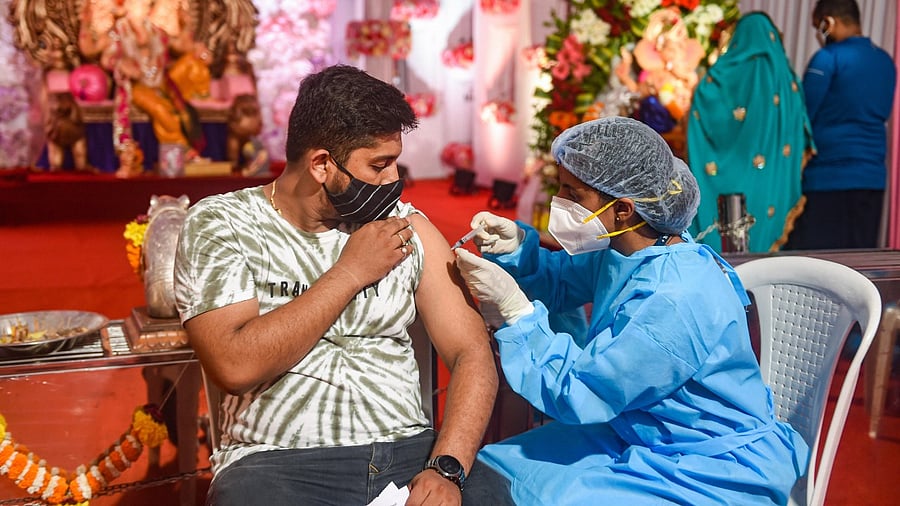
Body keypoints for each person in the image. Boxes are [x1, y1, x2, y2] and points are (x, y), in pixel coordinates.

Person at [173, 65, 512, 505]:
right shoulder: (224, 224)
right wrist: (349, 274)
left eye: (396, 163)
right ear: (321, 165)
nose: (394, 180)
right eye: (379, 165)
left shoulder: (406, 227)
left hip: (409, 453)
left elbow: (472, 352)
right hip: (278, 463)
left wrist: (446, 466)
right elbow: (234, 366)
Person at [454, 117, 810, 505]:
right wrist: (519, 249)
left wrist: (516, 313)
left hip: (707, 463)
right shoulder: (629, 250)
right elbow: (561, 280)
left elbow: (583, 388)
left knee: (531, 496)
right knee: (494, 469)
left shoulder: (674, 297)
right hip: (639, 428)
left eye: (572, 193)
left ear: (622, 209)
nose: (559, 202)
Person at [687, 12, 814, 253]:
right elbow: (802, 132)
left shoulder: (721, 74)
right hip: (769, 177)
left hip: (719, 176)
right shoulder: (786, 79)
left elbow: (702, 103)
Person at [787, 0, 896, 250]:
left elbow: (804, 117)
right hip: (871, 179)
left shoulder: (827, 58)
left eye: (818, 25)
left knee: (824, 268)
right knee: (861, 264)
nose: (818, 32)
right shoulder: (885, 61)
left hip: (827, 179)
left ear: (830, 22)